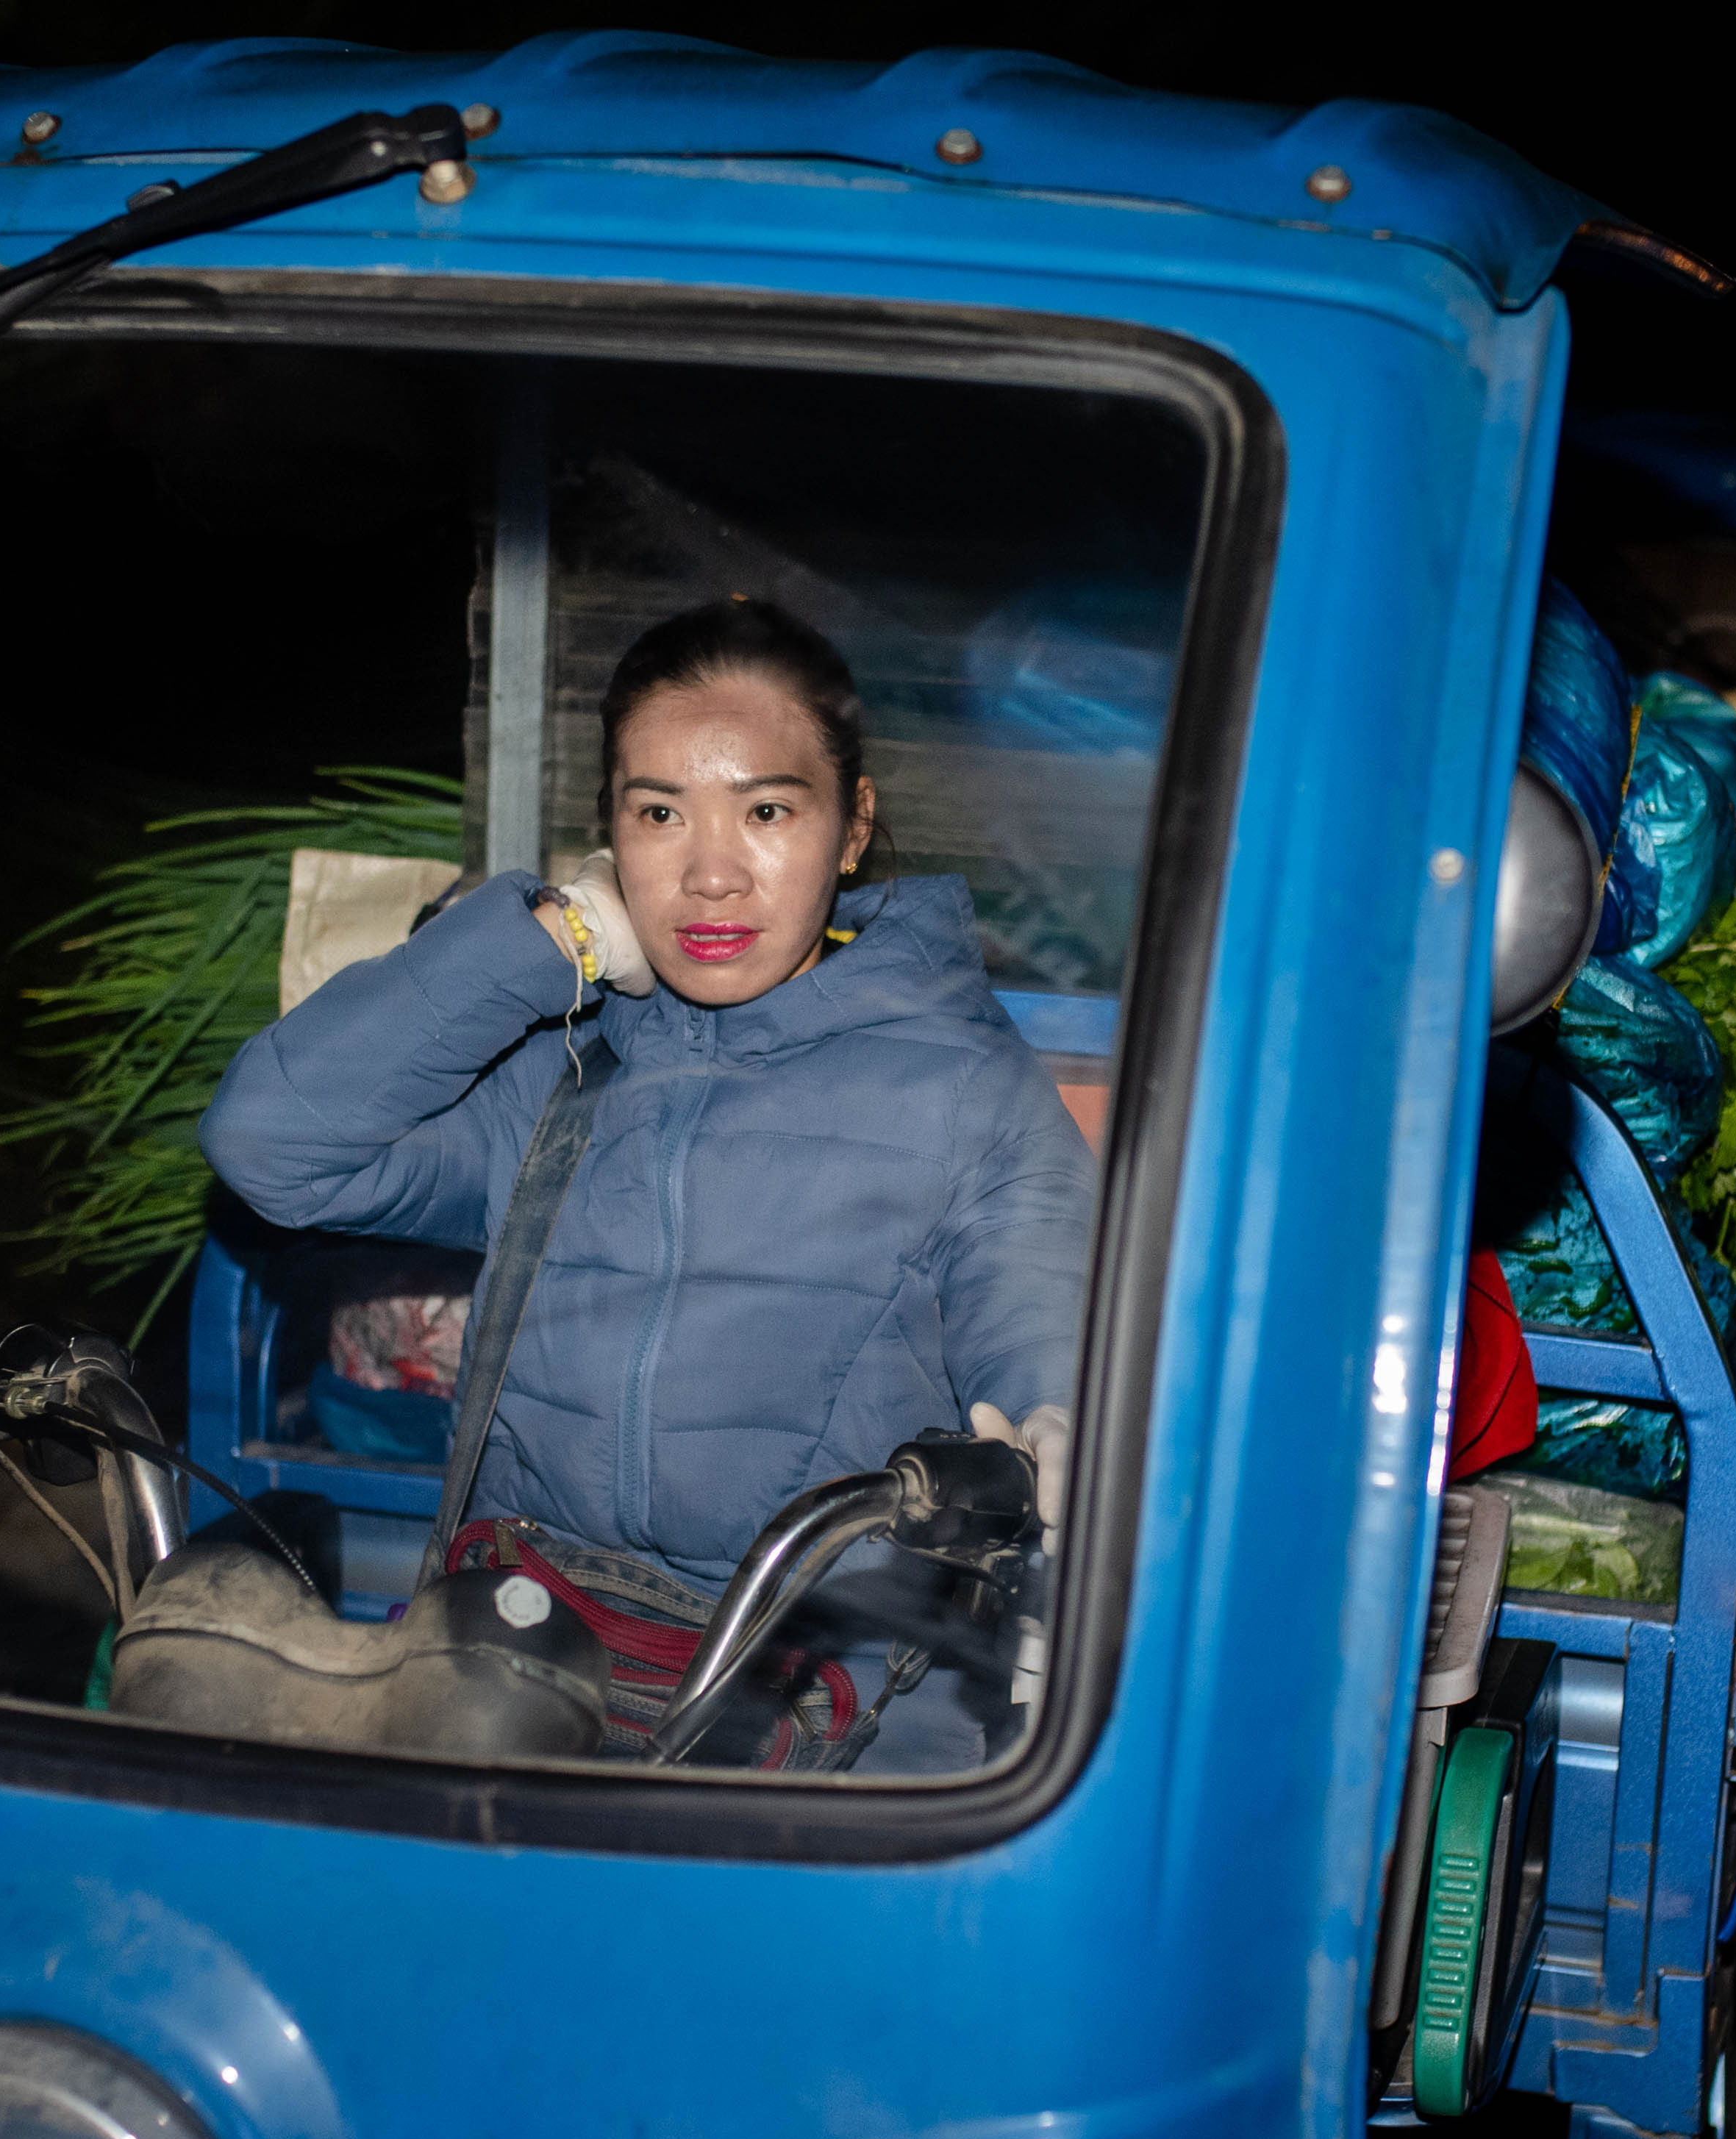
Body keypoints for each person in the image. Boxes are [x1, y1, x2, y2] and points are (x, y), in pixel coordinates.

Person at [196, 599, 1095, 1767]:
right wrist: (551, 941)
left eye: (766, 811)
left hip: (814, 1708)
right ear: (611, 836)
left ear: (853, 827)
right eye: (659, 813)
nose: (710, 874)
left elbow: (1044, 1310)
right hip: (525, 1662)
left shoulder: (966, 1092)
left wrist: (1061, 1419)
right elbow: (271, 1145)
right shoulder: (567, 1069)